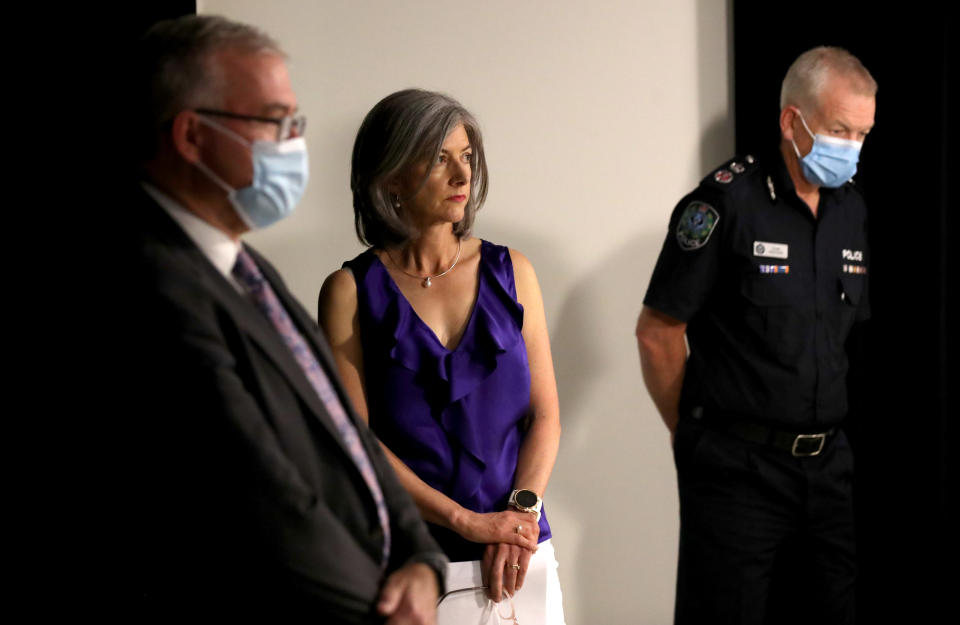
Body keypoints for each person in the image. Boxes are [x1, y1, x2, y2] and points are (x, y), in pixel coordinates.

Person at [128, 16, 446, 622]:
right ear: (192, 137)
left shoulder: (246, 265)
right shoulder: (155, 281)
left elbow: (349, 437)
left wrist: (421, 559)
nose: (292, 142)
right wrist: (381, 610)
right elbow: (259, 494)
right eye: (276, 122)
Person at [635, 46, 876, 625]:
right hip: (737, 472)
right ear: (792, 121)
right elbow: (658, 333)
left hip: (827, 471)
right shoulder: (724, 204)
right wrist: (691, 435)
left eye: (863, 133)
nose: (853, 147)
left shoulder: (851, 210)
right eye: (840, 129)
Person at [318, 89, 566, 623]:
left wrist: (518, 518)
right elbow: (355, 444)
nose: (462, 175)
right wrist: (468, 524)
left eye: (468, 157)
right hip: (413, 563)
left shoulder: (514, 271)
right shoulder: (349, 292)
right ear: (391, 177)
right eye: (439, 158)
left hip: (520, 557)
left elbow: (545, 415)